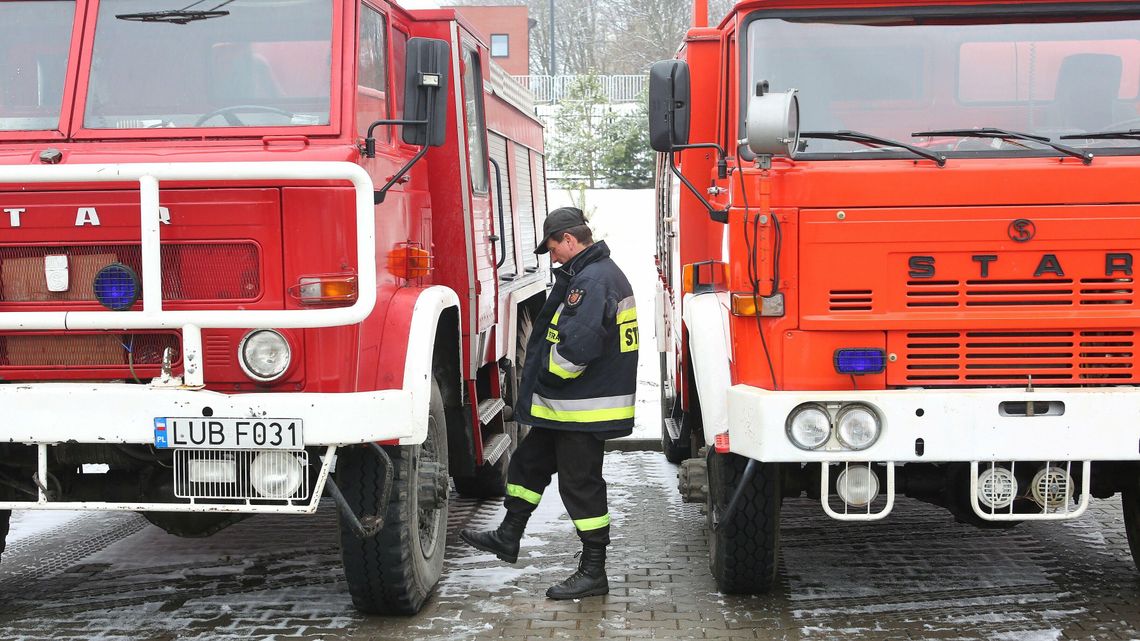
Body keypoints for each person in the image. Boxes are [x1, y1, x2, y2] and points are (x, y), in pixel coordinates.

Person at [460, 206, 638, 600]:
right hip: (569, 406)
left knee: (581, 487)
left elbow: (577, 347)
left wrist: (547, 375)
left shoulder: (591, 281)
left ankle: (593, 572)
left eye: (554, 248)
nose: (553, 256)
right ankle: (509, 535)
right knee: (528, 463)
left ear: (570, 241)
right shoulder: (594, 275)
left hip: (582, 407)